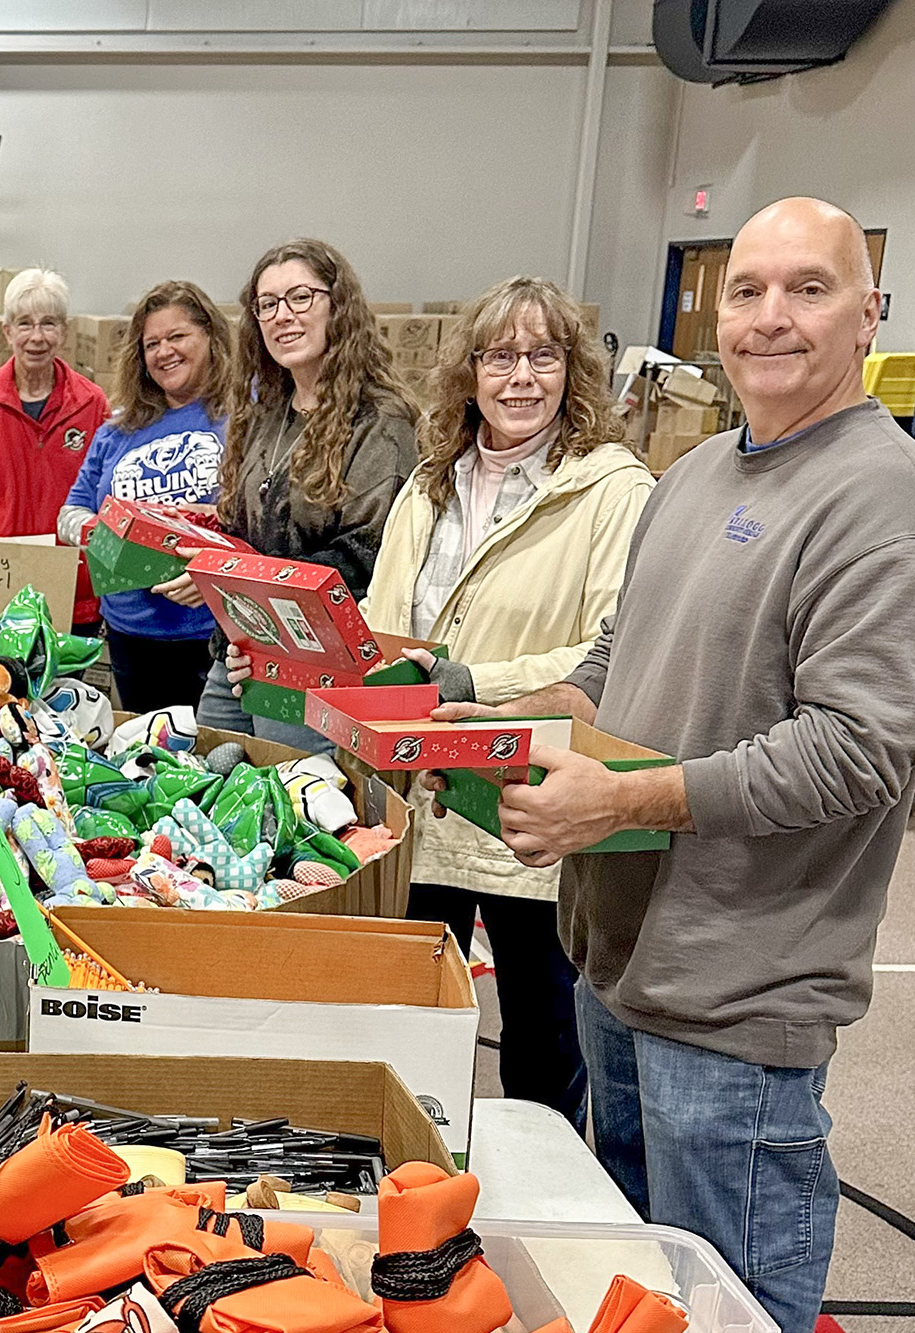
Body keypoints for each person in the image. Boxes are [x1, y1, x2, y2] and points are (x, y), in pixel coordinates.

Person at [430, 198, 915, 1333]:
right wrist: (488, 725)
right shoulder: (700, 469)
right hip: (619, 962)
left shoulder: (883, 497)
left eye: (806, 289)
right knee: (633, 1288)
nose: (768, 317)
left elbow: (864, 749)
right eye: (748, 289)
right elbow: (615, 668)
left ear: (869, 315)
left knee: (730, 1303)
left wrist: (622, 799)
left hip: (738, 992)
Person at [363, 276, 652, 1128]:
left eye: (543, 356)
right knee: (416, 1027)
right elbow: (385, 627)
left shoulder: (612, 490)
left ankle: (540, 1206)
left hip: (533, 794)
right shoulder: (429, 484)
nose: (520, 377)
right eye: (500, 356)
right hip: (427, 795)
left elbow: (608, 650)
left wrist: (471, 685)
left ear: (573, 372)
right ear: (470, 372)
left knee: (543, 1039)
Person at [188, 239, 418, 748]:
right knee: (204, 781)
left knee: (289, 806)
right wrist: (208, 569)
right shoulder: (266, 414)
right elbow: (242, 534)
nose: (282, 316)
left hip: (317, 665)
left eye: (300, 298)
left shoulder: (380, 420)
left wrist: (245, 583)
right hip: (241, 650)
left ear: (338, 306)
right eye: (267, 304)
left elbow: (367, 557)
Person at [58, 281, 234, 712]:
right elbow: (68, 514)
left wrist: (214, 541)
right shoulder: (117, 431)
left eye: (177, 337)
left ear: (210, 337)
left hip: (213, 634)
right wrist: (110, 532)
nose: (164, 352)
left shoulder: (245, 417)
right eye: (152, 343)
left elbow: (262, 521)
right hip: (130, 635)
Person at [0, 267, 109, 631]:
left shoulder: (91, 404)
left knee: (67, 689)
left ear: (65, 331)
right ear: (7, 331)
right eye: (25, 323)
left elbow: (107, 501)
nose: (37, 337)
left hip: (72, 594)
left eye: (48, 323)